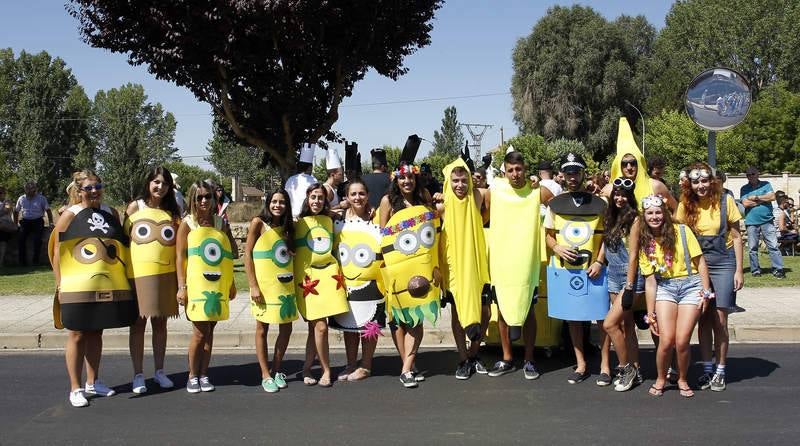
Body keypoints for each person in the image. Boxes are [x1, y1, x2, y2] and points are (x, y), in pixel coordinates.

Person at [52, 170, 133, 407]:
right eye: (88, 188)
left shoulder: (110, 213)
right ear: (79, 191)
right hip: (76, 284)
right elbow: (58, 253)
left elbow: (118, 246)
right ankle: (75, 388)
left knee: (97, 332)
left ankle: (93, 381)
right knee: (77, 333)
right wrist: (60, 284)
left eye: (97, 186)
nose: (94, 191)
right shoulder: (69, 215)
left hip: (105, 282)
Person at [676, 162, 744, 393]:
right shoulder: (686, 204)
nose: (701, 185)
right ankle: (707, 369)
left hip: (723, 263)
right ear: (690, 184)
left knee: (720, 319)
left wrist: (739, 270)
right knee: (702, 317)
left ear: (712, 180)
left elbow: (736, 237)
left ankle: (720, 369)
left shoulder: (726, 200)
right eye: (696, 182)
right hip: (697, 266)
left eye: (704, 180)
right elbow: (679, 236)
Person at [488, 151, 553, 380]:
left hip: (527, 263)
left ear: (526, 169)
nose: (515, 174)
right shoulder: (495, 190)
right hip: (501, 262)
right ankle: (507, 358)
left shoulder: (538, 191)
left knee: (528, 310)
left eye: (519, 169)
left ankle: (529, 359)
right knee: (504, 311)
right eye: (511, 170)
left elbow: (560, 209)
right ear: (504, 172)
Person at [639, 194, 712, 398]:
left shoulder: (682, 230)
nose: (655, 217)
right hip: (665, 287)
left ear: (665, 213)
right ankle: (661, 378)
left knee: (682, 341)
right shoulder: (646, 242)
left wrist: (706, 292)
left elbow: (701, 263)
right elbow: (651, 280)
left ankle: (682, 378)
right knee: (666, 340)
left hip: (691, 285)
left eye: (658, 212)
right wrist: (650, 312)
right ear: (644, 216)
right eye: (650, 213)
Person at [545, 153, 608, 384]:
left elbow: (607, 238)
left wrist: (600, 261)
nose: (572, 177)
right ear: (563, 176)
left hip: (596, 269)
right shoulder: (555, 205)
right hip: (567, 270)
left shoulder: (601, 204)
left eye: (576, 172)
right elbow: (548, 237)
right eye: (568, 173)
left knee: (602, 319)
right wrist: (557, 248)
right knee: (573, 319)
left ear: (583, 174)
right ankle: (581, 364)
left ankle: (605, 366)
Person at [379, 162, 438, 388]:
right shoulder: (387, 202)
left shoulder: (423, 197)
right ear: (396, 180)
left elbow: (432, 227)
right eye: (402, 179)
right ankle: (408, 367)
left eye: (410, 178)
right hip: (396, 268)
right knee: (400, 321)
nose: (407, 182)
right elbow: (383, 236)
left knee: (417, 319)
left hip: (421, 267)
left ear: (416, 180)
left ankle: (406, 369)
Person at [176, 180, 237, 393]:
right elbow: (180, 256)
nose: (203, 201)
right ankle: (192, 375)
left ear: (214, 198)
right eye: (199, 197)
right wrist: (181, 287)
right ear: (192, 199)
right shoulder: (187, 223)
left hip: (218, 283)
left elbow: (230, 255)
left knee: (210, 331)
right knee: (199, 333)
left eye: (207, 196)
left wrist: (231, 283)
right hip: (195, 285)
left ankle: (204, 374)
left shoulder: (220, 223)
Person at [125, 166, 182, 394]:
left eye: (165, 184)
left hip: (165, 275)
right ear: (148, 182)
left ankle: (159, 371)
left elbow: (179, 247)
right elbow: (123, 242)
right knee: (138, 324)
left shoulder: (173, 212)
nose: (160, 187)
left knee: (160, 323)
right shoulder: (134, 207)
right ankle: (138, 374)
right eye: (156, 182)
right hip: (137, 275)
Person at [435, 159, 491, 380]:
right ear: (448, 182)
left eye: (463, 180)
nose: (459, 185)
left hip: (477, 265)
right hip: (454, 268)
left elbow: (490, 194)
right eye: (455, 180)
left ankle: (474, 353)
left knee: (484, 312)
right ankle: (462, 359)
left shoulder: (477, 197)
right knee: (459, 314)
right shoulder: (441, 206)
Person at [295, 184, 349, 387]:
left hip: (329, 277)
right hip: (308, 280)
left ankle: (307, 368)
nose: (316, 201)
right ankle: (326, 370)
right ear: (307, 199)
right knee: (320, 327)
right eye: (313, 197)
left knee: (315, 329)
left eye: (320, 197)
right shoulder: (297, 223)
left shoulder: (330, 220)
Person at [331, 180, 385, 382]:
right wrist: (339, 206)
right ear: (346, 197)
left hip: (372, 284)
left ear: (368, 195)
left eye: (361, 193)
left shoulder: (377, 218)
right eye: (353, 194)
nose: (357, 198)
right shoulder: (338, 218)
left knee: (370, 326)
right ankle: (351, 363)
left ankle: (367, 365)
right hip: (346, 283)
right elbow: (316, 210)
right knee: (350, 327)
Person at [244, 189, 297, 393]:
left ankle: (277, 370)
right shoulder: (258, 223)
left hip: (285, 285)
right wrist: (253, 285)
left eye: (282, 202)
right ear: (268, 203)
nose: (277, 205)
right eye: (274, 201)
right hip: (264, 286)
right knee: (262, 329)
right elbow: (247, 254)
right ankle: (265, 374)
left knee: (286, 328)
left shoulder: (289, 227)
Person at [601, 177, 644, 392]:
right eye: (616, 194)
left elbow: (634, 254)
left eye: (623, 195)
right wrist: (600, 261)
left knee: (609, 324)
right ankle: (635, 369)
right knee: (626, 328)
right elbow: (605, 243)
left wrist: (629, 286)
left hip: (629, 277)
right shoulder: (610, 216)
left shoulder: (635, 219)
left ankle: (626, 368)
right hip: (612, 275)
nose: (619, 198)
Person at [601, 118, 676, 212]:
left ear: (639, 163)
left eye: (633, 163)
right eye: (624, 164)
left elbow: (676, 209)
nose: (629, 168)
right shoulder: (609, 190)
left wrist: (671, 225)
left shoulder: (655, 186)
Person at [739, 166, 784, 278]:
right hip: (751, 221)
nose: (750, 176)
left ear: (757, 174)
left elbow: (773, 197)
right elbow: (745, 204)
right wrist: (762, 200)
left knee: (773, 246)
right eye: (748, 175)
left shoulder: (766, 184)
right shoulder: (744, 188)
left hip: (767, 220)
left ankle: (778, 269)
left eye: (752, 174)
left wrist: (755, 197)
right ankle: (755, 270)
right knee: (752, 248)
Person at [14, 181, 54, 266]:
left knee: (37, 240)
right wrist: (15, 223)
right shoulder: (21, 198)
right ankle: (22, 262)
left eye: (32, 188)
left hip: (37, 221)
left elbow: (48, 210)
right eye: (28, 188)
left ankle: (36, 261)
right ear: (25, 189)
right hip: (25, 221)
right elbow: (16, 211)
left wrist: (51, 222)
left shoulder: (41, 198)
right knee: (21, 239)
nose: (30, 190)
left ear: (35, 189)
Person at [285, 143, 319, 219]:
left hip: (290, 216)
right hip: (306, 217)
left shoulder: (290, 180)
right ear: (309, 167)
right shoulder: (313, 180)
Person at [322, 148, 346, 215]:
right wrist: (340, 205)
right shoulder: (327, 189)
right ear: (333, 175)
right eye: (340, 174)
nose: (342, 176)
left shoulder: (334, 188)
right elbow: (323, 210)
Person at [0, 186, 15, 266]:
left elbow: (7, 210)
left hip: (4, 226)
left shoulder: (7, 202)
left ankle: (1, 262)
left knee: (3, 243)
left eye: (1, 193)